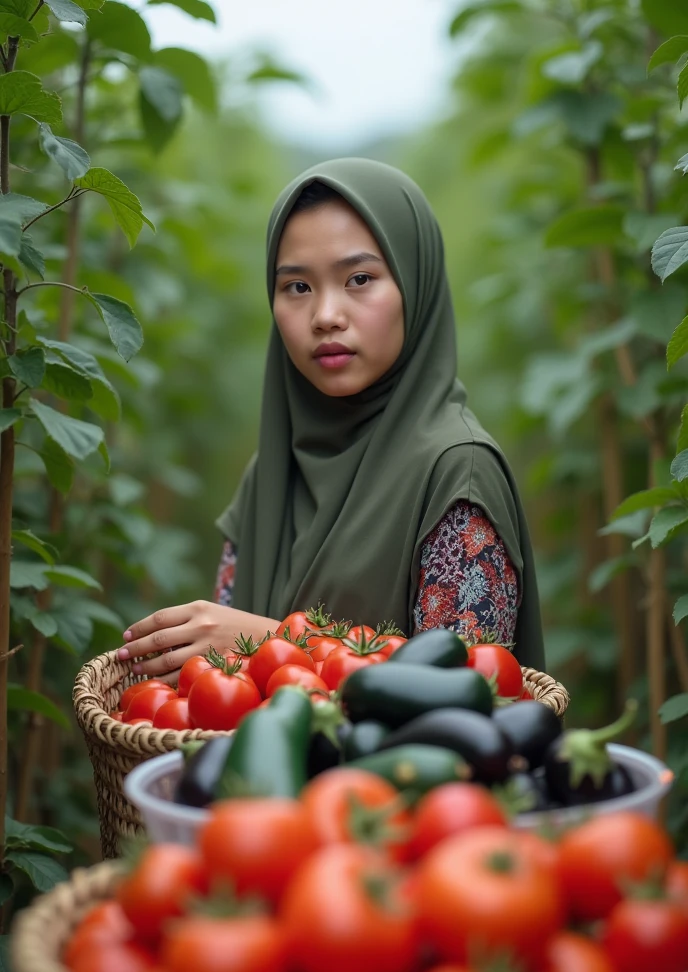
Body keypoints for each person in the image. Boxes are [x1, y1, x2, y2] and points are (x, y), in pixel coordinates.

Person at [117, 158, 545, 685]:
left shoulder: (457, 473)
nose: (325, 316)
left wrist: (272, 645)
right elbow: (210, 688)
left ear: (416, 284)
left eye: (359, 279)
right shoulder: (273, 471)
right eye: (297, 287)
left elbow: (470, 690)